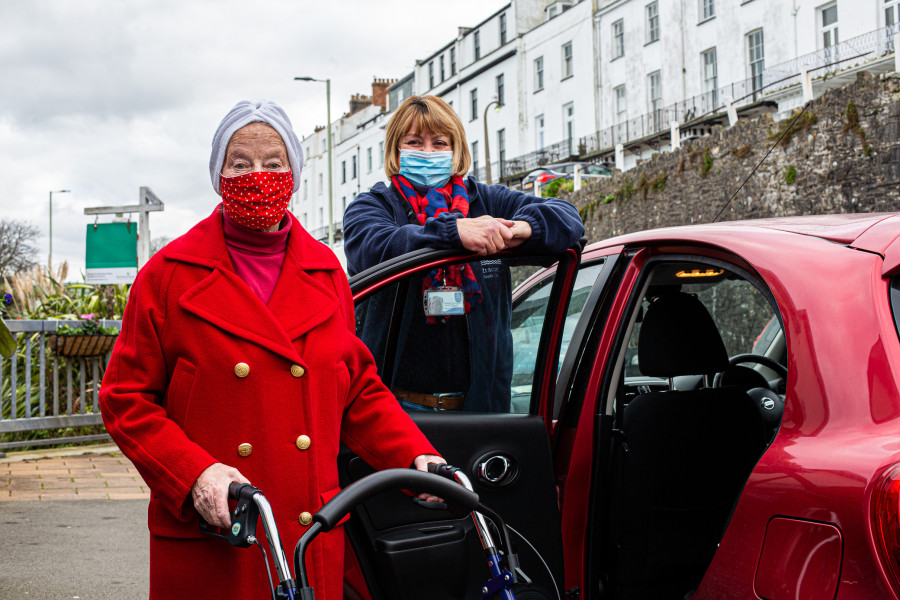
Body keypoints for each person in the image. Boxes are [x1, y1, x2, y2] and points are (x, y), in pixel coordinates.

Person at [99, 99, 443, 600]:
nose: (257, 175)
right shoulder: (168, 275)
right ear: (219, 174)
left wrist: (417, 457)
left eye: (273, 162)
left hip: (306, 531)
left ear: (294, 174)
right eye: (240, 163)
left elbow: (358, 391)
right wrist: (195, 474)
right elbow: (125, 399)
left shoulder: (326, 271)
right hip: (219, 531)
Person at [344, 95, 584, 412]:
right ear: (396, 150)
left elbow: (567, 219)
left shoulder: (487, 201)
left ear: (456, 150)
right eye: (415, 142)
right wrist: (453, 232)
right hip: (397, 408)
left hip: (482, 409)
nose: (427, 152)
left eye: (439, 143)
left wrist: (524, 229)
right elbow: (374, 248)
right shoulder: (373, 205)